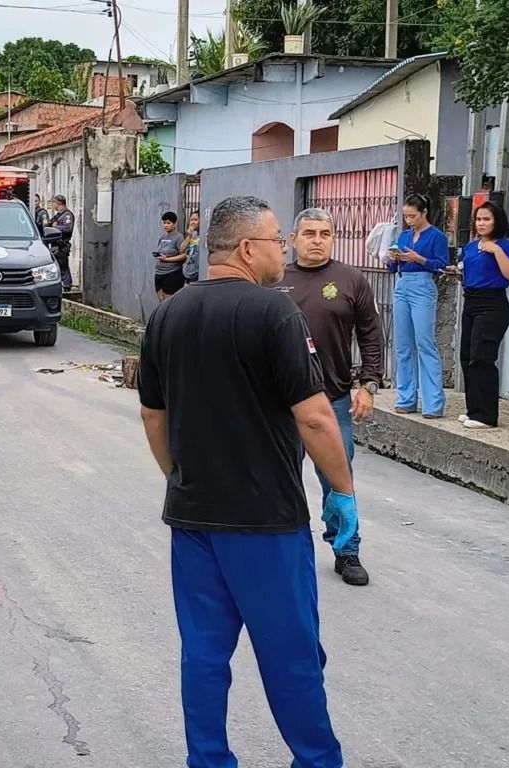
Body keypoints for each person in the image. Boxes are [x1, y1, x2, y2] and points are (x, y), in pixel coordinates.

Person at [138, 195, 357, 768]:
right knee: (293, 656)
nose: (283, 249)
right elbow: (314, 415)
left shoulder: (166, 315)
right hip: (265, 523)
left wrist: (180, 477)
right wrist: (343, 492)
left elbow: (152, 417)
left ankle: (208, 761)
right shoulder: (274, 313)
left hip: (193, 521)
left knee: (205, 655)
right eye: (277, 239)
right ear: (246, 248)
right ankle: (317, 761)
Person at [276, 207, 384, 587]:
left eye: (324, 233)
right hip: (278, 402)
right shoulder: (273, 279)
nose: (317, 240)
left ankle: (347, 550)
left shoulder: (351, 280)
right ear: (293, 240)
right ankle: (280, 550)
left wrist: (368, 384)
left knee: (339, 478)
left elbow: (372, 334)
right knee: (277, 479)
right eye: (309, 233)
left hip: (333, 399)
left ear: (333, 239)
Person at [451, 201, 509, 429]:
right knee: (467, 356)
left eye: (486, 219)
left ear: (496, 221)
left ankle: (487, 415)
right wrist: (454, 272)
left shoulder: (505, 246)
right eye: (478, 219)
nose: (481, 223)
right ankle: (474, 409)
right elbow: (469, 273)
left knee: (482, 357)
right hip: (471, 300)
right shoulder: (470, 247)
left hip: (493, 305)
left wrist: (496, 250)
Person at [388, 192, 448, 418]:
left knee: (424, 341)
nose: (409, 221)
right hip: (403, 283)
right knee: (403, 345)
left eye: (413, 216)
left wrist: (419, 259)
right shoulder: (403, 236)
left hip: (423, 283)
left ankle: (432, 401)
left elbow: (442, 266)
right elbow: (392, 267)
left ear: (424, 213)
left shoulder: (436, 237)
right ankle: (406, 397)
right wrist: (393, 259)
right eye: (406, 216)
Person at [153, 210, 187, 301]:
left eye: (168, 223)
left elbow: (184, 255)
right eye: (164, 223)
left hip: (172, 272)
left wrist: (168, 259)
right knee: (161, 300)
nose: (166, 225)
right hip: (159, 272)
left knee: (168, 301)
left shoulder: (178, 237)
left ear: (174, 224)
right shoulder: (163, 237)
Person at [49, 194, 74, 289]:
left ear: (58, 203)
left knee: (62, 265)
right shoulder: (59, 215)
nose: (53, 205)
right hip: (55, 245)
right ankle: (63, 284)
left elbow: (68, 228)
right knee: (58, 265)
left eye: (54, 202)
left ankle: (67, 285)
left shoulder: (67, 215)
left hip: (62, 245)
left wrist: (56, 227)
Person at [182, 210, 200, 285]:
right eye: (191, 220)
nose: (192, 222)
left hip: (198, 273)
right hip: (188, 271)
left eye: (195, 220)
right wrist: (189, 236)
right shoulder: (190, 236)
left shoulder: (203, 235)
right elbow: (181, 249)